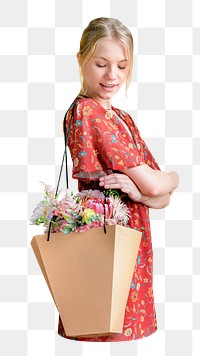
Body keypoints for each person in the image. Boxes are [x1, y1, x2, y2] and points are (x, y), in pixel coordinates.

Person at [58, 17, 179, 342]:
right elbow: (157, 186)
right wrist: (171, 177)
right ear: (81, 59)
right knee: (103, 327)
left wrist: (145, 192)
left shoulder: (122, 117)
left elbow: (161, 198)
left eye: (122, 66)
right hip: (107, 244)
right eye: (101, 64)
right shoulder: (88, 112)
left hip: (134, 250)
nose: (112, 75)